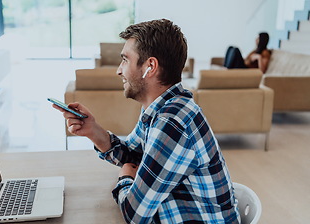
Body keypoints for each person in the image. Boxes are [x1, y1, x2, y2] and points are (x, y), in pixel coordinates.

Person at [53, 19, 240, 223]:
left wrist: (125, 178)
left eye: (125, 60)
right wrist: (93, 130)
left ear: (149, 66)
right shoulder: (161, 108)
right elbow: (133, 155)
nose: (118, 70)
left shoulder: (173, 122)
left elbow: (134, 214)